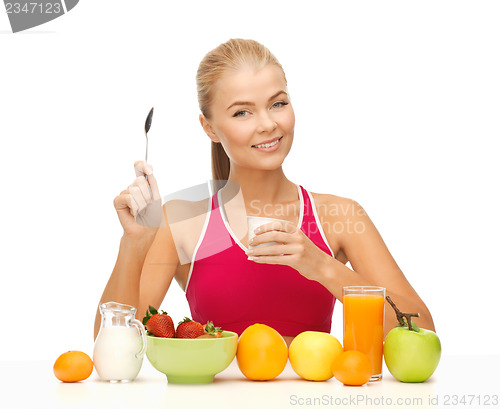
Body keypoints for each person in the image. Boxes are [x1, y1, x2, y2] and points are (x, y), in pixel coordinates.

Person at [94, 39, 435, 345]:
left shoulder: (338, 217)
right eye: (242, 112)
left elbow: (423, 333)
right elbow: (113, 347)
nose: (268, 124)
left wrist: (323, 267)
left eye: (277, 103)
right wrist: (133, 243)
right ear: (209, 127)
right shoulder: (185, 221)